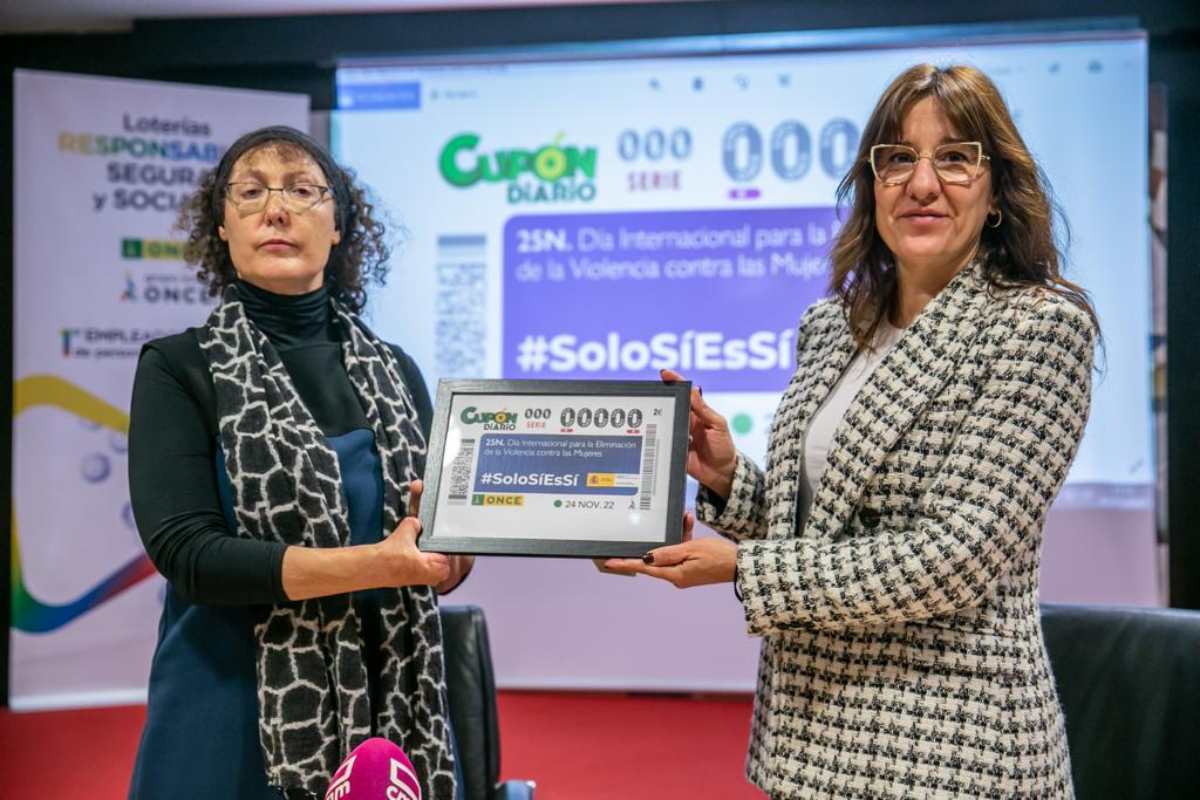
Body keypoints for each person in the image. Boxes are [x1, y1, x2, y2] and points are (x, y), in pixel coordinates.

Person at [604, 64, 1098, 798]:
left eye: (955, 157)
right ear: (871, 185)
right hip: (810, 735)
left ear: (997, 190)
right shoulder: (833, 324)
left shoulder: (1039, 328)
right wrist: (730, 480)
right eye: (897, 158)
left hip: (948, 750)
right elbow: (826, 523)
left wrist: (740, 569)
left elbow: (953, 559)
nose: (922, 183)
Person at [127, 126, 471, 800]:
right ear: (222, 226)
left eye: (302, 191)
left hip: (391, 699)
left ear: (339, 224)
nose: (275, 210)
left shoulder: (397, 370)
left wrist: (452, 557)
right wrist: (381, 563)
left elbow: (440, 542)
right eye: (251, 193)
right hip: (229, 704)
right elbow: (191, 555)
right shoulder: (179, 367)